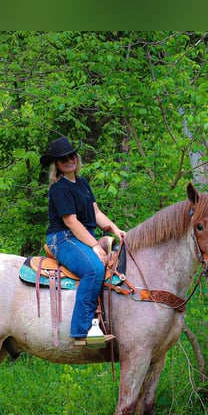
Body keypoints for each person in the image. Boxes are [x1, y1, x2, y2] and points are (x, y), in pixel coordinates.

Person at [41, 136, 126, 344]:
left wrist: (115, 229)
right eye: (63, 159)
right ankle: (82, 331)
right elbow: (71, 222)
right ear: (57, 165)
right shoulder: (59, 188)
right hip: (62, 238)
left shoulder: (82, 183)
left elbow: (95, 212)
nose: (69, 160)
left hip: (81, 236)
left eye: (72, 156)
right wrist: (95, 245)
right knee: (93, 269)